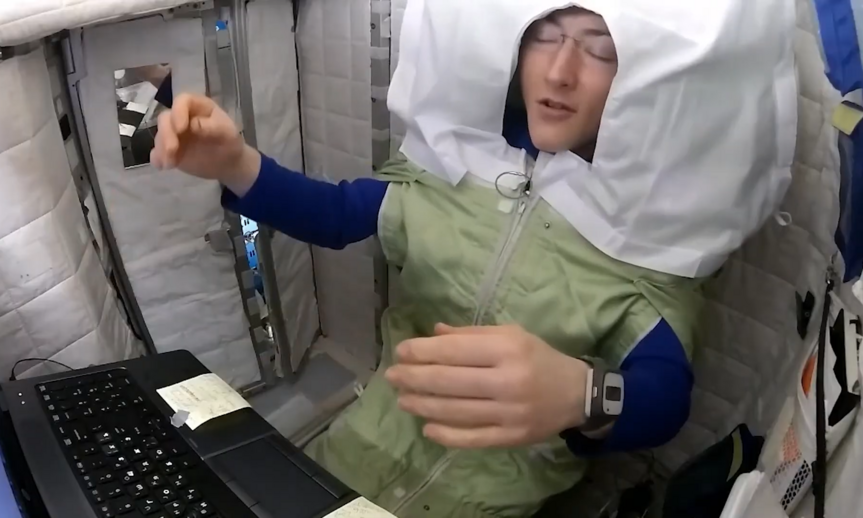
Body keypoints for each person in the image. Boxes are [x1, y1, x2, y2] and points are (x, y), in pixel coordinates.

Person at [150, 3, 792, 516]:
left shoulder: (649, 236)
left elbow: (666, 395)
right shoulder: (459, 166)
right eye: (544, 36)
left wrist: (584, 394)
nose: (560, 71)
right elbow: (336, 213)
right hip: (342, 466)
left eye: (600, 49)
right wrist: (234, 163)